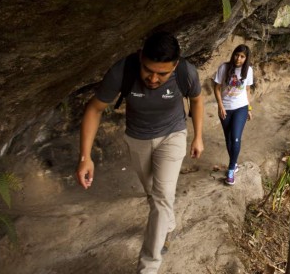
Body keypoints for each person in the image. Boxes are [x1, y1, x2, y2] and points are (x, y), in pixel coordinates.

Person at [75, 31, 204, 274]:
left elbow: (197, 101)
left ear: (175, 66)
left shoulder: (186, 73)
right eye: (148, 70)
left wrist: (198, 136)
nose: (153, 79)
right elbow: (94, 109)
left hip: (173, 135)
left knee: (161, 196)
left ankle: (148, 267)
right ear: (140, 57)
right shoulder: (122, 71)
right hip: (138, 138)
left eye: (162, 73)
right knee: (153, 193)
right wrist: (85, 157)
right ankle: (168, 224)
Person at [213, 44, 253, 186]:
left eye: (242, 56)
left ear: (246, 58)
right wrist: (220, 106)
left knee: (235, 138)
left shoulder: (248, 71)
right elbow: (217, 88)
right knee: (228, 139)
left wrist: (249, 108)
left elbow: (247, 90)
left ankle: (231, 170)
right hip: (226, 108)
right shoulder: (224, 68)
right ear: (233, 54)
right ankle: (234, 163)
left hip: (240, 107)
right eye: (237, 55)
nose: (239, 58)